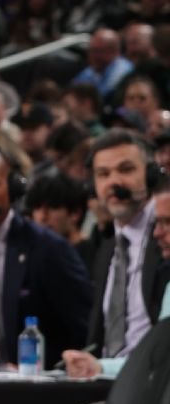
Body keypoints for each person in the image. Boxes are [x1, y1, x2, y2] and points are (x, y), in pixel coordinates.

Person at [0, 146, 92, 368]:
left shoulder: (48, 249)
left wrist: (40, 369)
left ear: (13, 189)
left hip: (37, 379)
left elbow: (84, 329)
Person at [78, 131, 167, 363]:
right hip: (106, 377)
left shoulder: (166, 239)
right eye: (103, 174)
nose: (114, 182)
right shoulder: (107, 247)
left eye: (126, 170)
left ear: (151, 174)